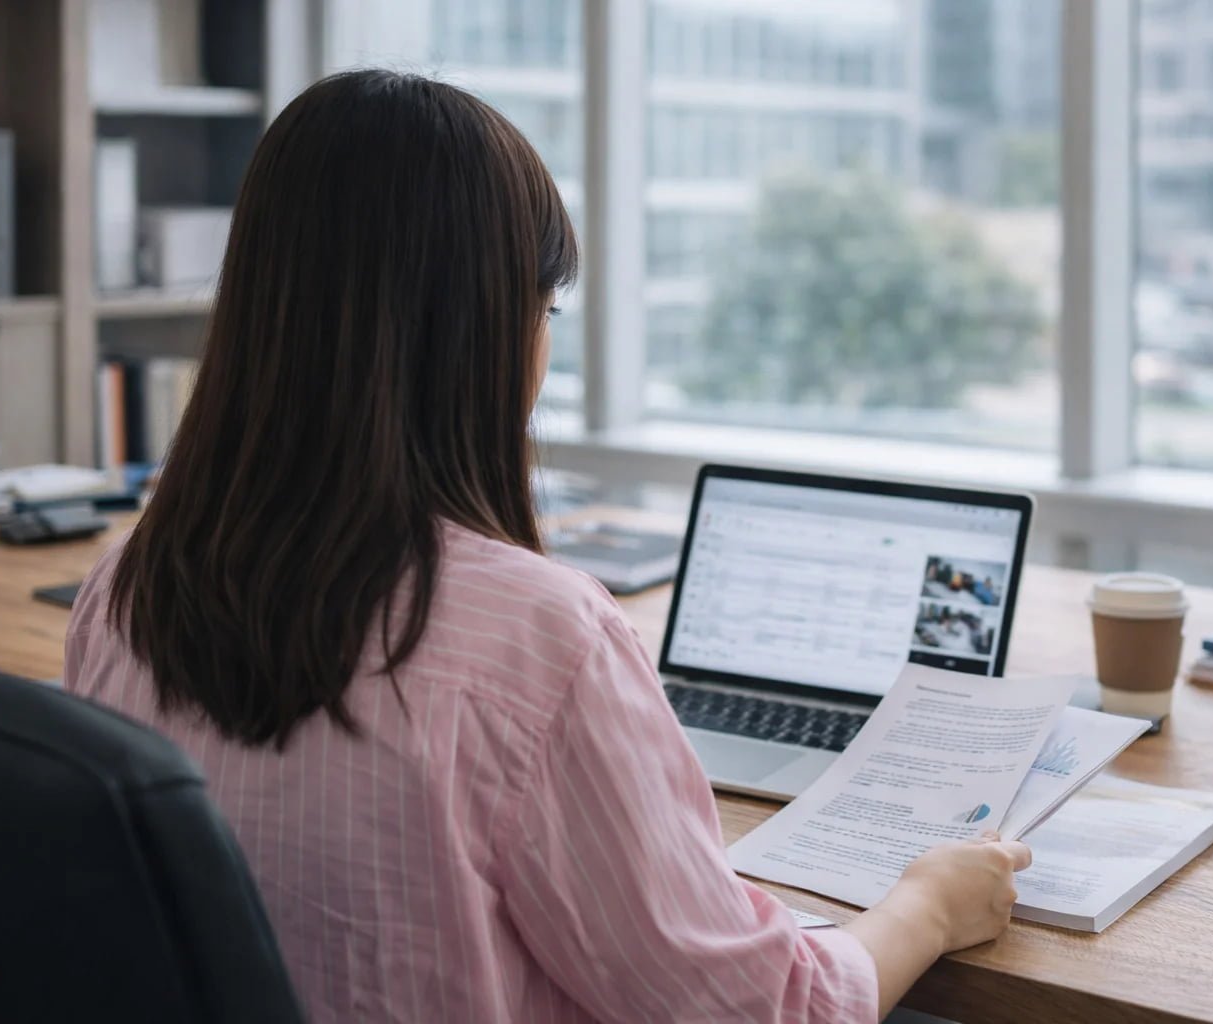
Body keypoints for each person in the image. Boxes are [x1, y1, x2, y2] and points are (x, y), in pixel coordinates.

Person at [63, 70, 1030, 1024]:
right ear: (482, 328)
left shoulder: (123, 596)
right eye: (546, 310)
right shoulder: (538, 639)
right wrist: (930, 904)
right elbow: (767, 1012)